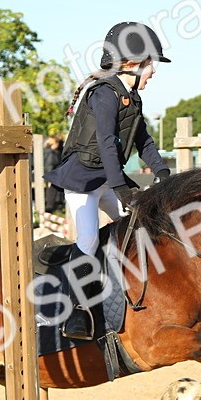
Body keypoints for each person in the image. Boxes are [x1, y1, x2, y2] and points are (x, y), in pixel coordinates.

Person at [43, 21, 172, 341]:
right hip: (82, 179)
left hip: (108, 177)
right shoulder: (104, 94)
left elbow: (143, 140)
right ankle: (75, 311)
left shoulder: (133, 98)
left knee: (140, 225)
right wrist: (121, 190)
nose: (153, 71)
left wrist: (163, 171)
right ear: (131, 64)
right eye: (150, 64)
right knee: (87, 240)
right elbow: (105, 142)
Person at [42, 134, 65, 212]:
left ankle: (50, 206)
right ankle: (53, 206)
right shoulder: (54, 152)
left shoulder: (51, 152)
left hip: (51, 172)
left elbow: (50, 164)